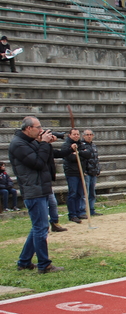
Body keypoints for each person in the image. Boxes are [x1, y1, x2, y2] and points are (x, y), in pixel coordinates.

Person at [7, 116, 65, 273]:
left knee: (38, 228)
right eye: (38, 127)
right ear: (28, 129)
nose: (41, 130)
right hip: (33, 190)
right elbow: (38, 163)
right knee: (41, 228)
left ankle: (24, 262)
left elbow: (45, 160)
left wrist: (45, 144)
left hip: (40, 188)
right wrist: (44, 143)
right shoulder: (18, 144)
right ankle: (44, 265)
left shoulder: (29, 142)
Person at [61, 128, 90, 224]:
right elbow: (71, 157)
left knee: (80, 193)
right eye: (74, 134)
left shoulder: (81, 144)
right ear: (70, 135)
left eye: (77, 134)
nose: (76, 136)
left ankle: (79, 212)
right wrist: (76, 154)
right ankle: (72, 214)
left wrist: (78, 153)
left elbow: (88, 154)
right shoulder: (66, 145)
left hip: (81, 172)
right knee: (72, 193)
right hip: (71, 173)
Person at [81, 129, 102, 217]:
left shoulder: (94, 145)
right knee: (85, 192)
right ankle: (83, 210)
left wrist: (98, 169)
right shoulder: (81, 146)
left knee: (92, 192)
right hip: (86, 172)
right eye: (87, 134)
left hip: (93, 172)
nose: (89, 136)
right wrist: (84, 171)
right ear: (84, 136)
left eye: (90, 134)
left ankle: (92, 209)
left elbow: (96, 159)